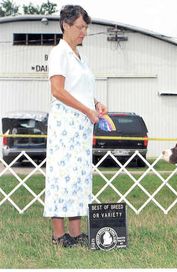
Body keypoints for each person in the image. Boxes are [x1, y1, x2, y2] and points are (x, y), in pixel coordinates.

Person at [43, 5, 108, 247]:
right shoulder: (58, 53)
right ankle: (59, 235)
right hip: (65, 125)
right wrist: (86, 110)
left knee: (79, 178)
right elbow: (57, 90)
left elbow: (81, 91)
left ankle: (76, 233)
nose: (84, 32)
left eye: (86, 27)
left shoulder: (81, 57)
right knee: (61, 177)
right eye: (80, 27)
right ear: (66, 25)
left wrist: (96, 103)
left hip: (82, 127)